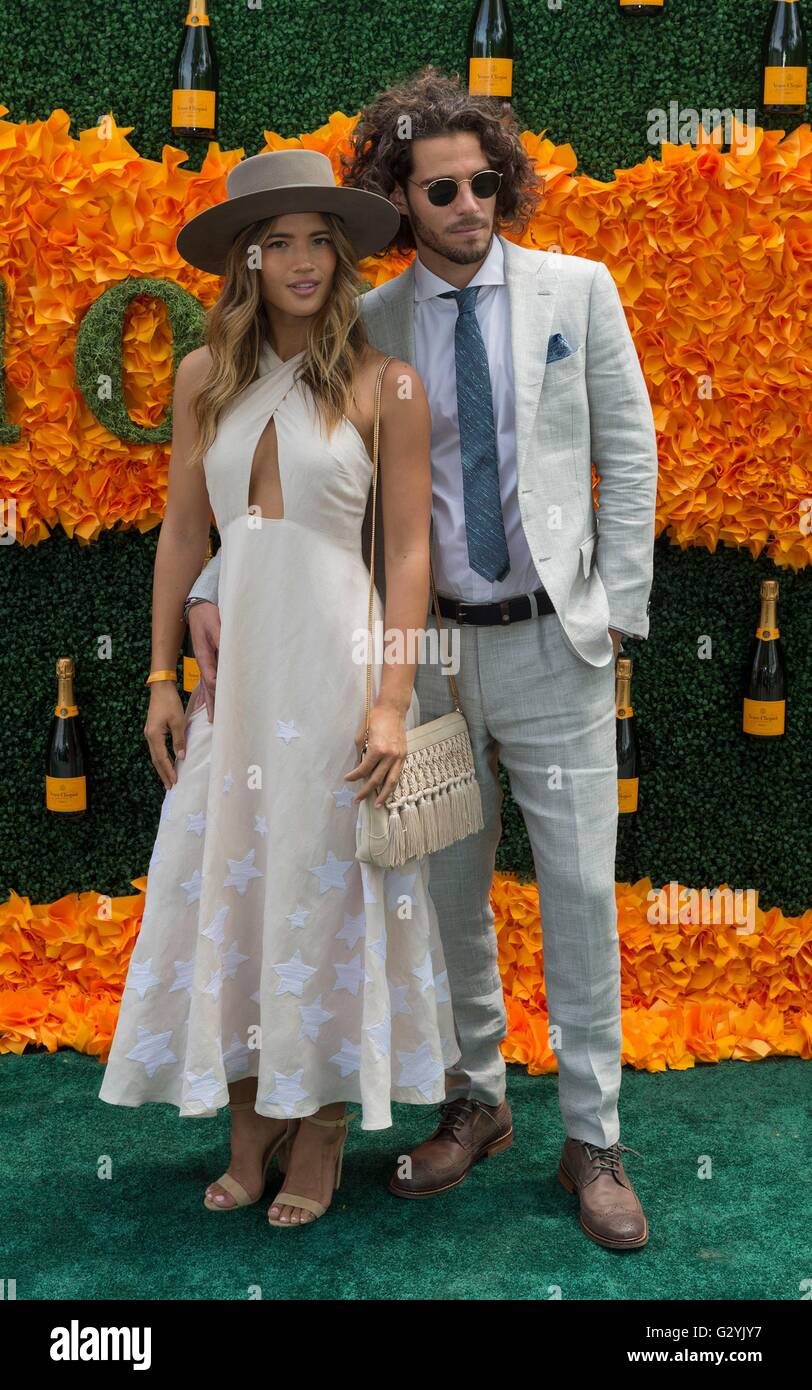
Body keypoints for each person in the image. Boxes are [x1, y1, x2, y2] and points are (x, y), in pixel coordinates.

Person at [185, 66, 659, 1251]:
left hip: (554, 642)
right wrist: (208, 584)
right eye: (439, 188)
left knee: (579, 894)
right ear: (397, 198)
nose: (467, 204)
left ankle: (594, 1138)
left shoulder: (577, 290)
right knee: (443, 896)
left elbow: (629, 453)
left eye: (483, 182)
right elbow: (284, 481)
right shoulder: (372, 325)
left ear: (506, 184)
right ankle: (474, 1099)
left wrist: (610, 615)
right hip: (420, 649)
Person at [98, 146, 464, 1229]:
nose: (302, 262)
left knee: (323, 880)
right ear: (246, 261)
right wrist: (160, 678)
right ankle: (249, 1123)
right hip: (237, 684)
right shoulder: (201, 378)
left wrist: (391, 698)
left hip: (336, 669)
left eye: (319, 242)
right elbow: (183, 536)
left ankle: (322, 1125)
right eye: (278, 243)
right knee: (235, 880)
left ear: (342, 259)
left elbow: (407, 552)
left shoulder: (384, 384)